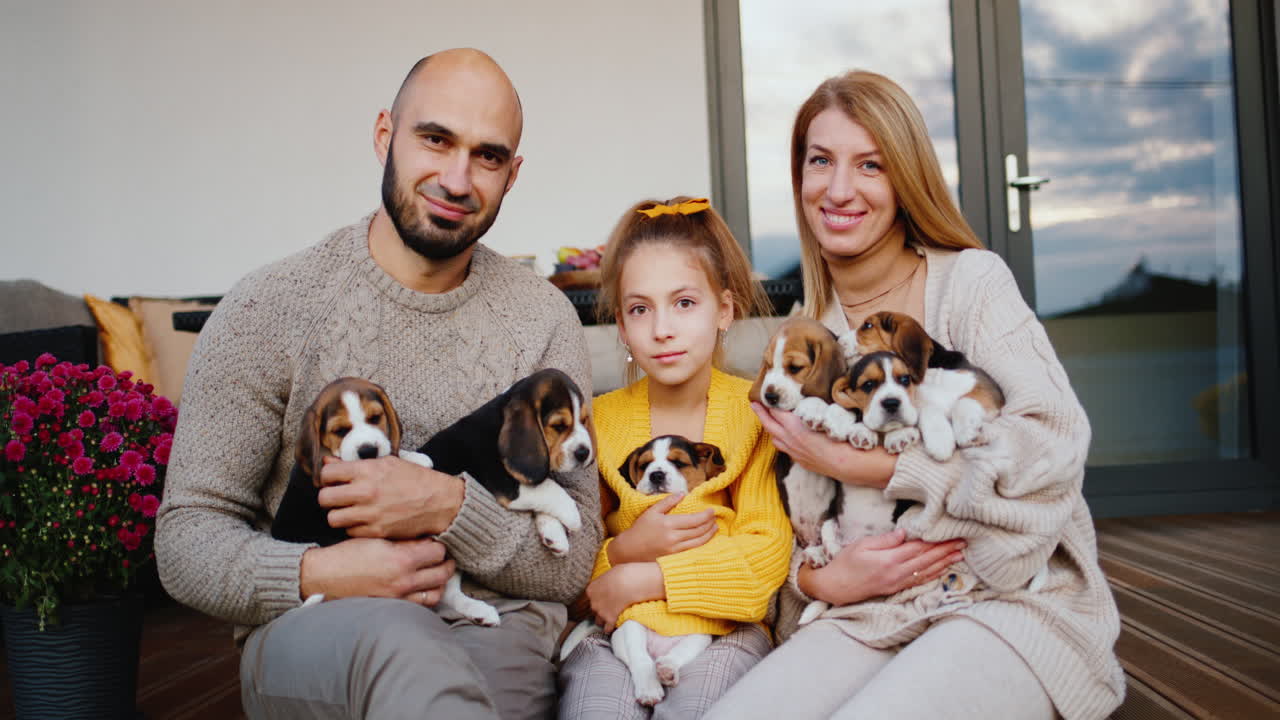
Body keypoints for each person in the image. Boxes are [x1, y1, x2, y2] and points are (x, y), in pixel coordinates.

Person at [155, 48, 603, 720]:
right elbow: (186, 540)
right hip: (319, 621)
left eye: (486, 156)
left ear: (512, 175)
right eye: (435, 139)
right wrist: (321, 570)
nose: (456, 178)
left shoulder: (542, 319)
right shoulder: (266, 308)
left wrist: (449, 507)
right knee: (406, 656)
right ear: (384, 136)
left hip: (499, 623)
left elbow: (575, 558)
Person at [704, 71, 1125, 720]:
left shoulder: (970, 284)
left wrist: (870, 465)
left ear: (905, 179)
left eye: (869, 164)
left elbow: (1053, 445)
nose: (838, 189)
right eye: (821, 160)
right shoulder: (807, 345)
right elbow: (785, 522)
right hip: (869, 613)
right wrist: (818, 578)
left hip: (1010, 601)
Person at [557, 197, 793, 719]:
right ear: (621, 326)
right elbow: (569, 564)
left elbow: (765, 557)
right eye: (640, 309)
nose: (662, 328)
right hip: (616, 628)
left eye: (684, 303)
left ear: (724, 310)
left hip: (724, 628)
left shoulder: (757, 415)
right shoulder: (595, 423)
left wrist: (646, 576)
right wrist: (623, 552)